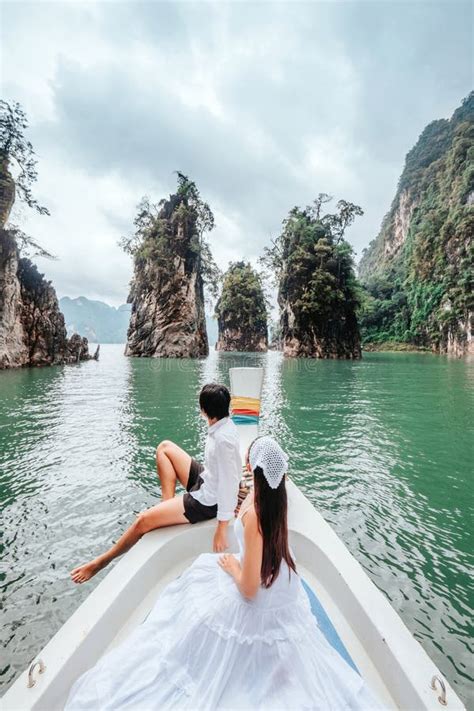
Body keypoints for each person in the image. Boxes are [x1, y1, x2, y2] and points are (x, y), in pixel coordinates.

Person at [65, 436, 383, 710]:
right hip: (282, 584)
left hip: (253, 587)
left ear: (252, 468)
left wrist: (233, 565)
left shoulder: (254, 516)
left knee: (195, 591)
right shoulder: (276, 500)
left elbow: (248, 590)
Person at [70, 383, 242, 584]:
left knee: (142, 521)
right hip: (207, 480)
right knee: (165, 448)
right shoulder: (223, 425)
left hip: (208, 500)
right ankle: (165, 507)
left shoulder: (223, 440)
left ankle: (101, 561)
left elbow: (229, 483)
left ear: (203, 410)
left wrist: (222, 527)